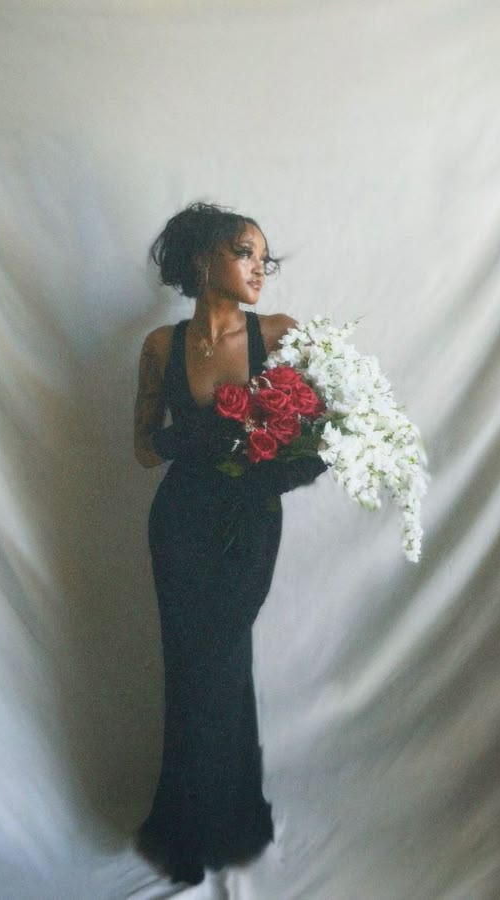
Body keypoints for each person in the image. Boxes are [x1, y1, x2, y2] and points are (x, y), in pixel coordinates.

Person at [133, 202, 326, 885]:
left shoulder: (280, 334)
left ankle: (220, 819)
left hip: (249, 519)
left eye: (263, 259)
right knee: (193, 666)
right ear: (205, 258)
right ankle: (205, 824)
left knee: (217, 655)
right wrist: (178, 439)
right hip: (179, 523)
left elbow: (318, 428)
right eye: (246, 253)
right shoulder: (161, 346)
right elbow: (142, 449)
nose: (258, 270)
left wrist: (283, 460)